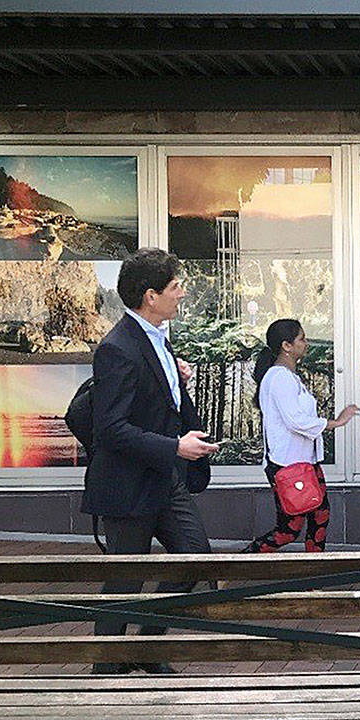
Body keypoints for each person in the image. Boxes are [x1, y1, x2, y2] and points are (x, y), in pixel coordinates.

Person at [81, 248, 218, 675]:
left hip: (164, 480)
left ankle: (144, 646)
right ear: (150, 295)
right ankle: (105, 665)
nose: (182, 293)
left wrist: (175, 380)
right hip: (127, 484)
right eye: (175, 286)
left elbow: (154, 403)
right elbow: (110, 429)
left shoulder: (156, 337)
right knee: (126, 578)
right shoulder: (117, 347)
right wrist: (174, 447)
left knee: (194, 556)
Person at [243, 319, 358, 553]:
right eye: (302, 339)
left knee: (320, 515)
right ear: (287, 345)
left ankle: (314, 570)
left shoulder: (289, 377)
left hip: (305, 462)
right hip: (288, 465)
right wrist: (335, 423)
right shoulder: (279, 378)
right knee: (289, 530)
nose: (306, 343)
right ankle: (235, 566)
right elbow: (295, 420)